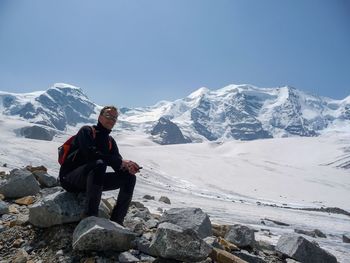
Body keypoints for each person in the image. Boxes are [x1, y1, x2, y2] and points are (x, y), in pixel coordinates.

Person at [59, 106, 140, 225]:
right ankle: (90, 216)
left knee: (129, 178)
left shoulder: (110, 141)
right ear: (100, 117)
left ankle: (117, 220)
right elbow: (90, 154)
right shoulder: (87, 131)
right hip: (70, 179)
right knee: (99, 164)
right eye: (108, 116)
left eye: (114, 118)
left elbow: (117, 164)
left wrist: (127, 167)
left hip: (91, 181)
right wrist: (118, 161)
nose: (111, 120)